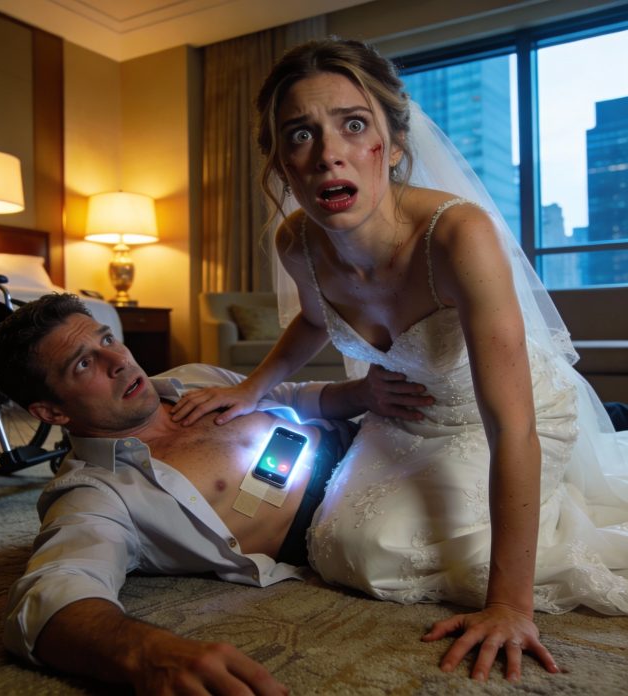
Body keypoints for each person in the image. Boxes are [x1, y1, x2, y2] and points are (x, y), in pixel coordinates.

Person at [171, 37, 628, 683]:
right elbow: (314, 319)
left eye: (353, 125)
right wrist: (253, 387)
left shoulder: (457, 234)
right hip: (406, 412)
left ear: (393, 144)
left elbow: (512, 426)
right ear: (281, 161)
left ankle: (598, 437)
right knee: (342, 547)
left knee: (417, 553)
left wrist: (509, 606)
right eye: (300, 134)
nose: (328, 153)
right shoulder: (296, 242)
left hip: (506, 413)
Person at [0, 292, 431, 695]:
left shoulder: (189, 378)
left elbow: (295, 397)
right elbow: (48, 597)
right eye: (83, 364)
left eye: (107, 339)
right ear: (51, 412)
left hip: (377, 435)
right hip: (364, 516)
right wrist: (147, 652)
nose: (117, 360)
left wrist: (364, 392)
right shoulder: (96, 492)